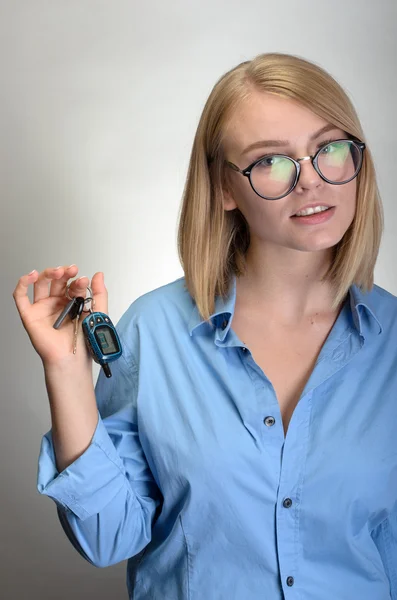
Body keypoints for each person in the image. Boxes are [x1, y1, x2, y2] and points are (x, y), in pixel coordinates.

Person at [12, 52, 397, 599]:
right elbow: (107, 536)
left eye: (329, 148)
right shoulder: (154, 331)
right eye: (271, 161)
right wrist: (67, 371)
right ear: (223, 188)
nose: (311, 181)